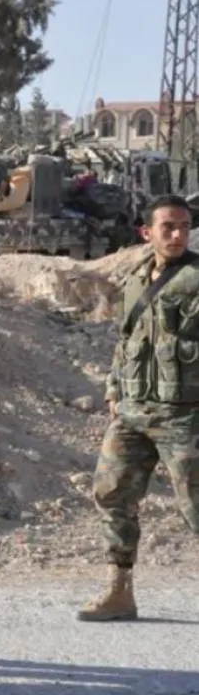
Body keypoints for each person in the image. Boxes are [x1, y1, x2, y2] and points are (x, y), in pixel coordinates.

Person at [81, 195, 199, 621]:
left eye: (184, 226)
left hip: (186, 414)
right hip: (133, 413)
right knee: (112, 494)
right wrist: (114, 389)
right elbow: (126, 341)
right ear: (146, 233)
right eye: (168, 226)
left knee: (195, 507)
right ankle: (119, 591)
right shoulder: (134, 279)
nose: (177, 234)